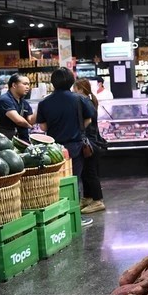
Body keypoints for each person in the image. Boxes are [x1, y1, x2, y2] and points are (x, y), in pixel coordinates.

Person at [36, 68, 97, 228]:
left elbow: (42, 127)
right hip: (75, 146)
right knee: (74, 182)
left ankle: (58, 216)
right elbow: (89, 119)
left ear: (53, 82)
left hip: (53, 149)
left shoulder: (44, 102)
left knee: (56, 183)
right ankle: (75, 217)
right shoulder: (79, 99)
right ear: (71, 81)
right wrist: (77, 128)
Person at [73, 78, 106, 214]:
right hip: (92, 141)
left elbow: (87, 122)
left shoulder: (84, 102)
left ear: (80, 89)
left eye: (74, 89)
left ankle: (98, 200)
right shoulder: (89, 101)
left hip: (89, 142)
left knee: (90, 172)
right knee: (87, 171)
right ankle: (88, 197)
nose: (73, 92)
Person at [0, 73, 35, 141]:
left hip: (23, 140)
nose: (28, 87)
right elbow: (18, 120)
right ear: (14, 85)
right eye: (25, 84)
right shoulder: (4, 100)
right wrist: (29, 126)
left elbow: (30, 119)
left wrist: (42, 108)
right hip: (8, 140)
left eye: (28, 84)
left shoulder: (24, 102)